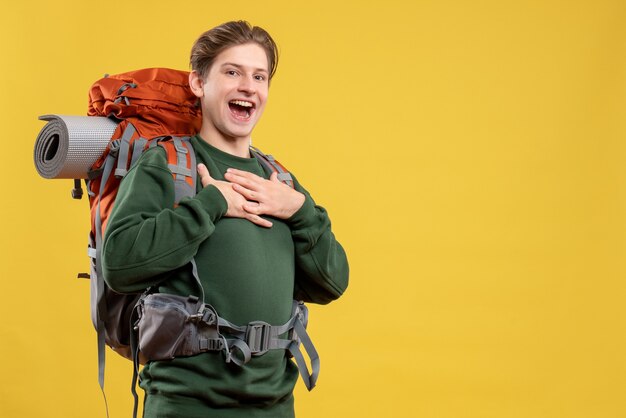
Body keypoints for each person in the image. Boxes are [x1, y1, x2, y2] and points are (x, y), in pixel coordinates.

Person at [101, 20, 349, 418]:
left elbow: (333, 282)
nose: (248, 86)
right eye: (232, 72)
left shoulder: (278, 180)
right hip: (186, 406)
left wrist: (299, 211)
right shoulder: (167, 165)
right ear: (199, 84)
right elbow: (120, 264)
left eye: (259, 76)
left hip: (275, 406)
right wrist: (209, 205)